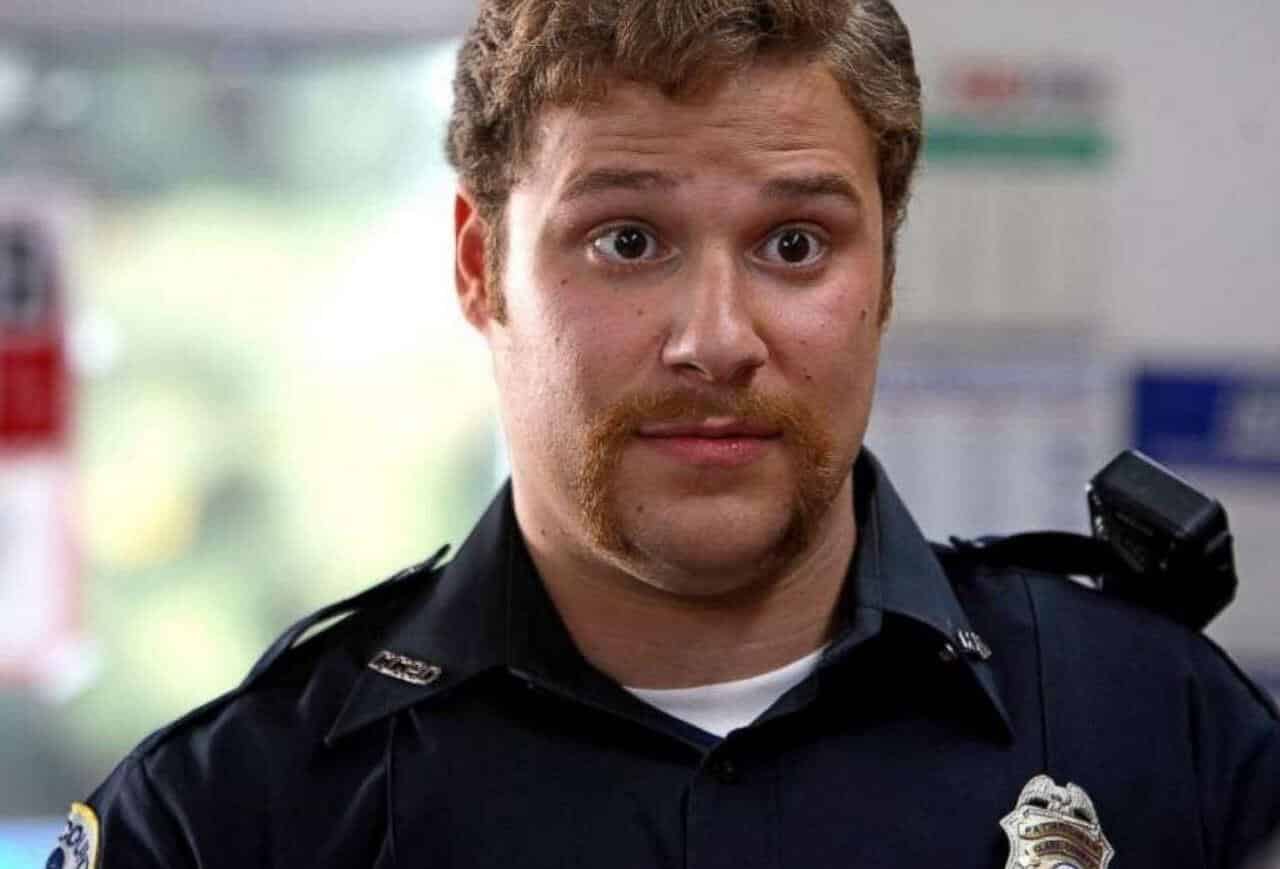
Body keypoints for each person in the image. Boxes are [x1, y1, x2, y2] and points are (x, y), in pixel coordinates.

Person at [51, 1, 1280, 867]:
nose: (716, 339)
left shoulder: (1160, 732)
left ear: (884, 275)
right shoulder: (232, 815)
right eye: (626, 240)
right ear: (480, 266)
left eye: (793, 243)